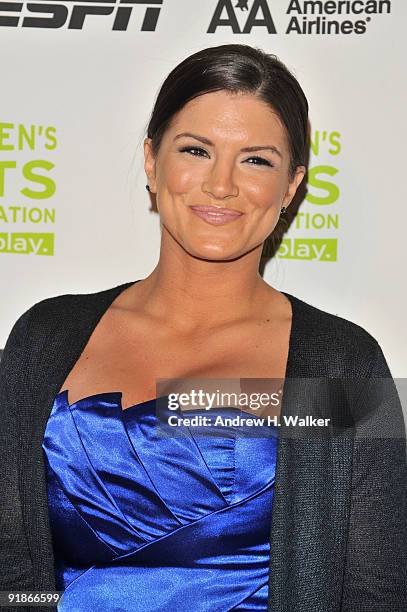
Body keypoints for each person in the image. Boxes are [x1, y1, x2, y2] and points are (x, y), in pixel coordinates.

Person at [0, 43, 406, 612]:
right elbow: (11, 570)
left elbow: (373, 586)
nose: (221, 185)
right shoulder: (43, 338)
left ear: (292, 185)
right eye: (196, 150)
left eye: (256, 160)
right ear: (151, 160)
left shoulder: (341, 360)